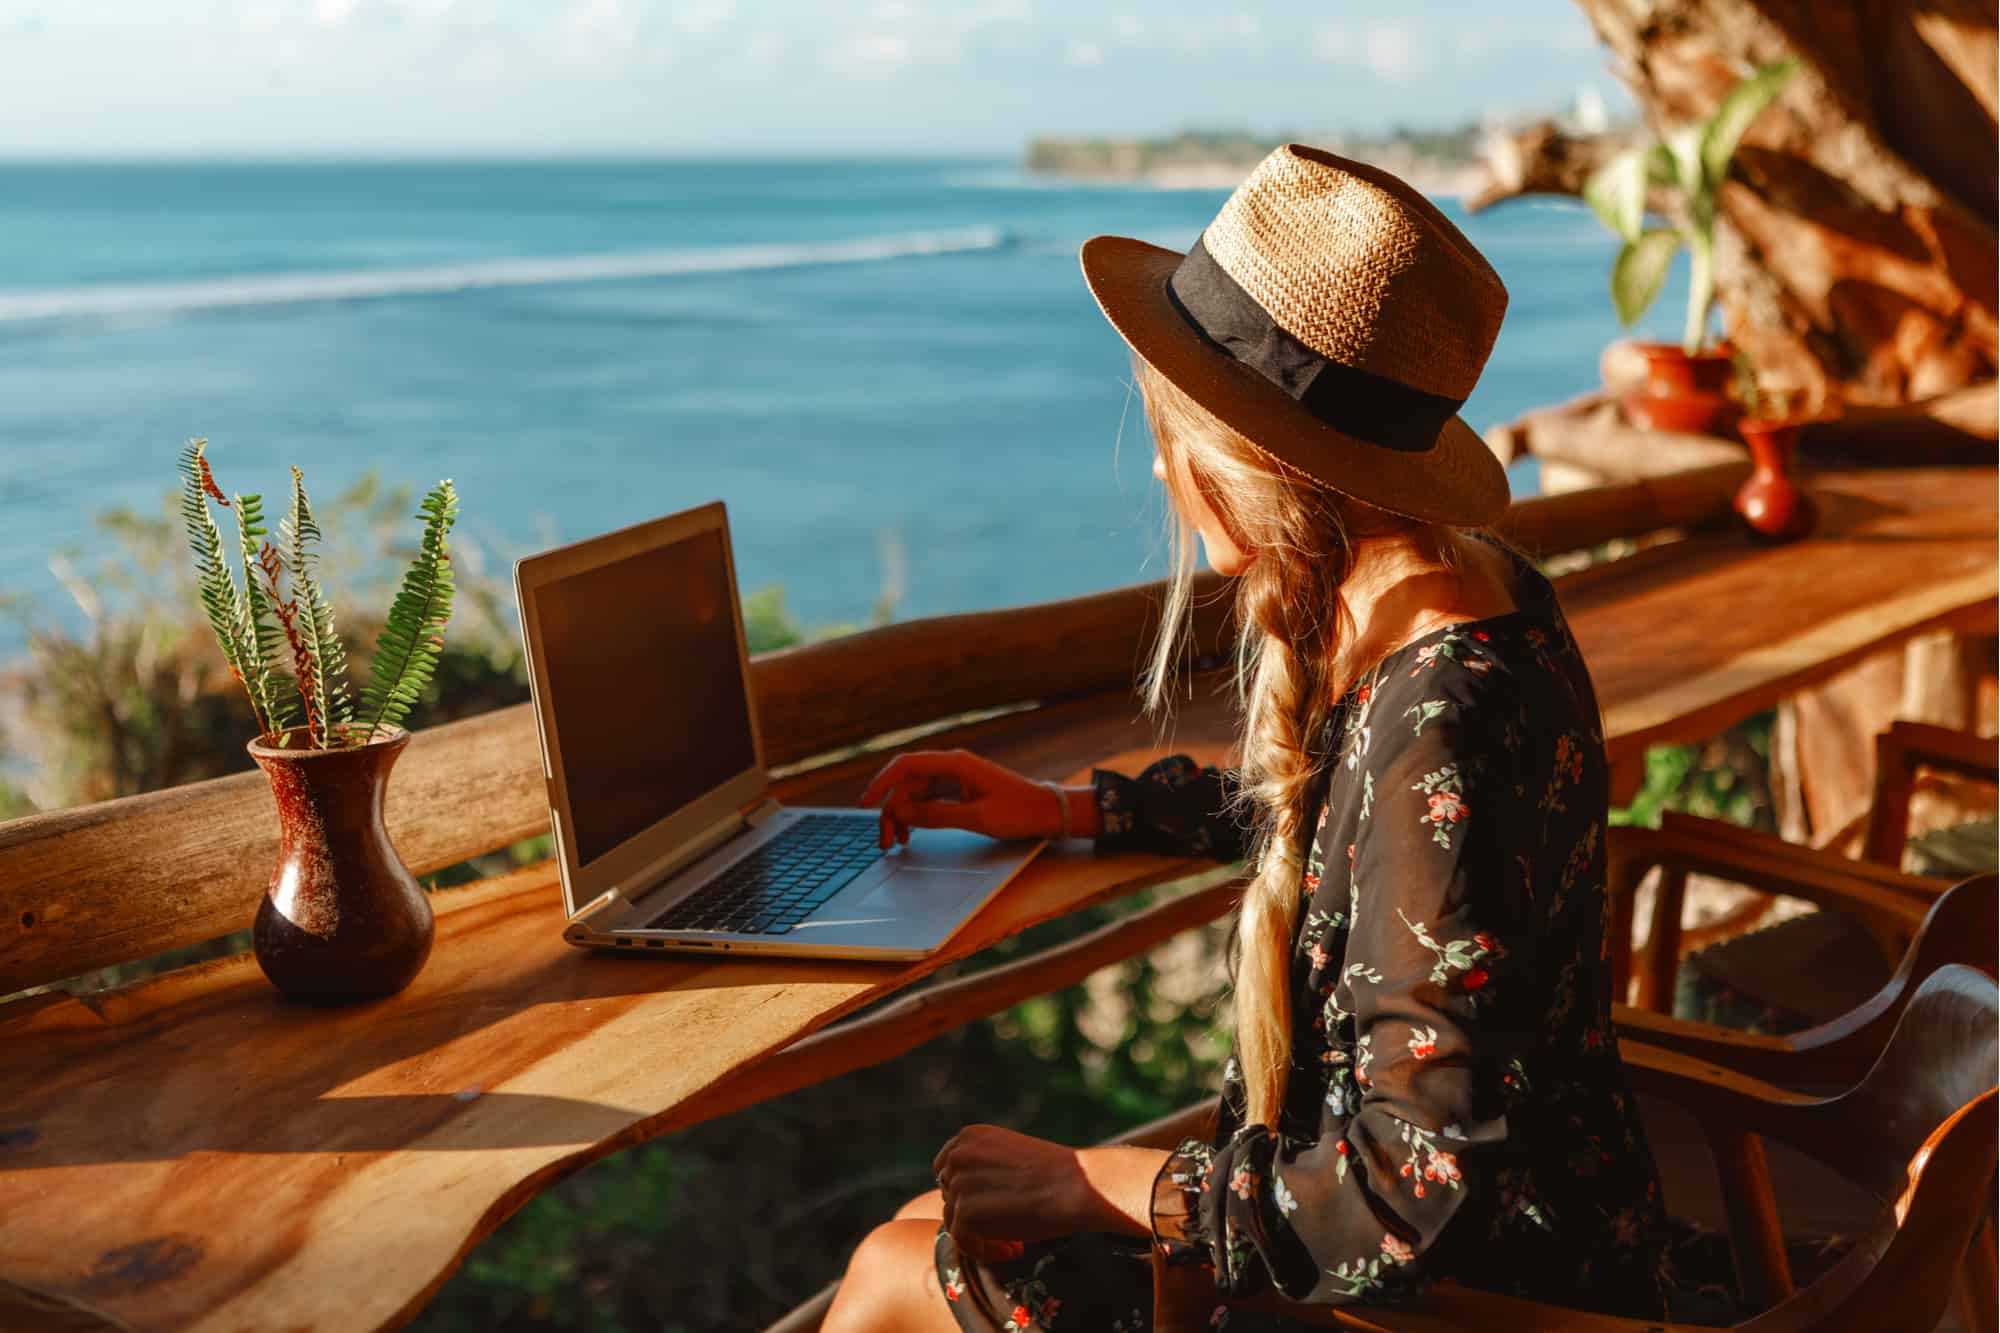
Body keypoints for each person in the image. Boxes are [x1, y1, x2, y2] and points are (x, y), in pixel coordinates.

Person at [821, 144, 1668, 1333]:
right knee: (925, 1222)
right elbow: (1359, 839)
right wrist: (1071, 808)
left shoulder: (1446, 719)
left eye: (1172, 432)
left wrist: (1103, 1178)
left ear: (1246, 458)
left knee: (892, 1270)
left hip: (1469, 1298)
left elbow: (1407, 1198)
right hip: (1539, 1227)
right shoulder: (1465, 598)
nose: (1163, 463)